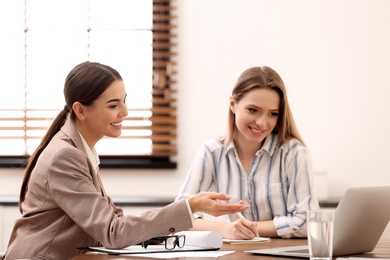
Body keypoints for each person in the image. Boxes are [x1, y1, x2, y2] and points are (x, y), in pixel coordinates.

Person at [3, 61, 248, 260]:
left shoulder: (77, 148)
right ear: (80, 110)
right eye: (113, 105)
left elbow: (114, 221)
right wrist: (190, 206)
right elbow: (114, 232)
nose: (125, 111)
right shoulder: (65, 156)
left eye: (124, 100)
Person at [175, 66, 320, 239]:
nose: (262, 123)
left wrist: (246, 229)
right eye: (253, 110)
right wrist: (225, 229)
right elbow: (178, 217)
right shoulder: (211, 152)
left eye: (273, 114)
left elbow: (306, 222)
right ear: (233, 105)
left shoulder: (293, 153)